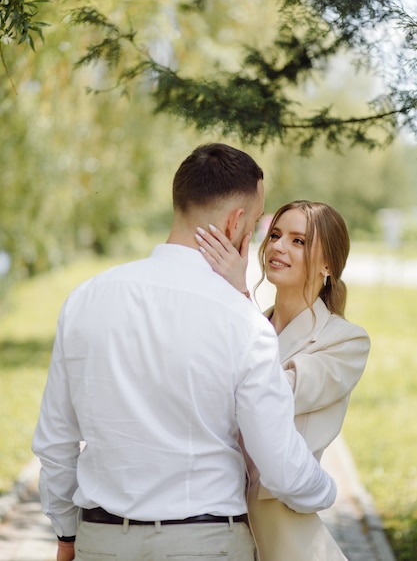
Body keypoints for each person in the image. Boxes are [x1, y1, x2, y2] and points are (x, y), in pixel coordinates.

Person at [32, 146, 337, 561]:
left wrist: (66, 534)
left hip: (101, 542)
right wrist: (326, 489)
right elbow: (279, 466)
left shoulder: (86, 298)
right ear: (236, 223)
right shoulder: (244, 322)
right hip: (205, 545)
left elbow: (55, 442)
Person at [195, 199, 370, 561]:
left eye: (298, 241)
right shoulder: (248, 324)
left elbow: (272, 394)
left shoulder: (345, 342)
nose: (277, 246)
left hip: (283, 533)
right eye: (275, 235)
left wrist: (239, 298)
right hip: (212, 520)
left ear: (327, 265)